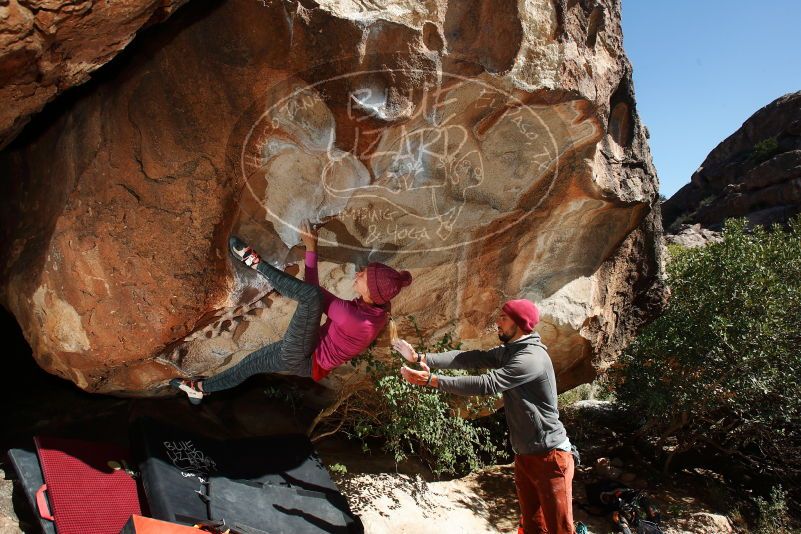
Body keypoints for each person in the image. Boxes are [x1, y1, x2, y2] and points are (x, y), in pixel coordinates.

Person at [172, 220, 412, 404]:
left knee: (310, 299)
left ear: (371, 293)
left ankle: (254, 263)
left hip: (304, 357)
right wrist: (311, 248)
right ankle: (200, 390)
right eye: (364, 271)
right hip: (307, 354)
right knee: (247, 366)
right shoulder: (378, 306)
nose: (358, 274)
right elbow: (310, 293)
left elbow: (312, 293)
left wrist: (312, 247)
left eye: (363, 277)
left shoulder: (357, 319)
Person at [394, 299, 575, 534]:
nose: (498, 322)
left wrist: (431, 380)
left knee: (560, 530)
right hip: (525, 455)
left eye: (504, 318)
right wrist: (421, 358)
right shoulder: (512, 351)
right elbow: (469, 358)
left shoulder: (531, 358)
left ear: (519, 323)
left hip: (551, 457)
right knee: (532, 527)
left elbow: (487, 383)